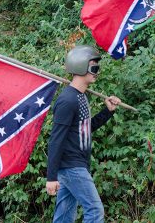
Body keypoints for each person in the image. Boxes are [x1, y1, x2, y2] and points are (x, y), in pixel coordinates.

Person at [46, 45, 121, 223]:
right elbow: (56, 140)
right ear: (80, 66)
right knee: (95, 211)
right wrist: (51, 177)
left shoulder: (81, 97)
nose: (97, 72)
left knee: (64, 217)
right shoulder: (67, 100)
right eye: (94, 68)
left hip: (76, 165)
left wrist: (107, 111)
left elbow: (85, 129)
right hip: (72, 166)